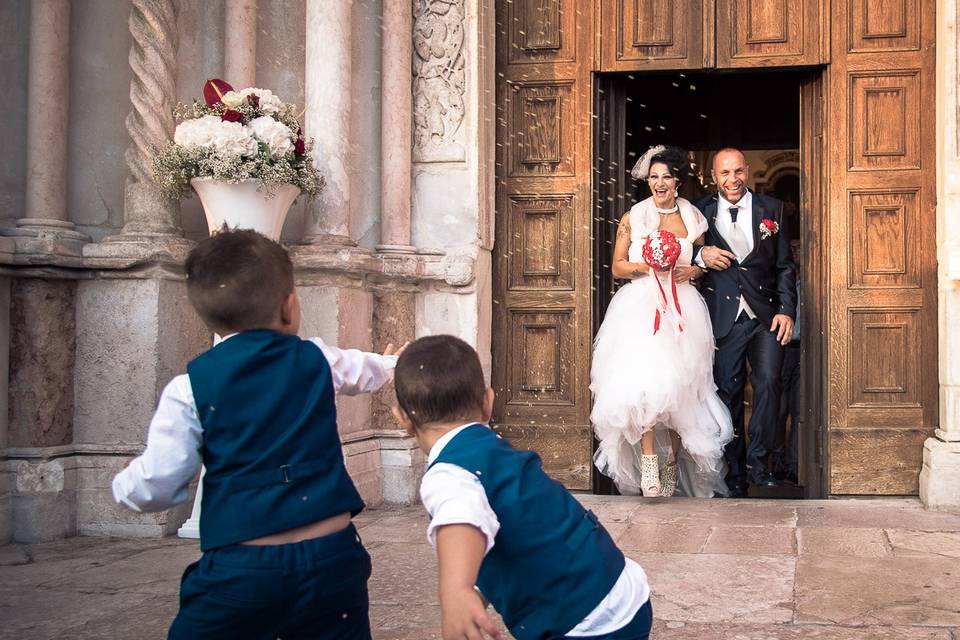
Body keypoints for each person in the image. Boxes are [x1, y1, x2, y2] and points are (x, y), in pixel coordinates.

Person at [112, 229, 403, 639]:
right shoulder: (315, 357)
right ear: (289, 307)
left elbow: (159, 482)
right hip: (332, 557)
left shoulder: (190, 387)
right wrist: (393, 364)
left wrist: (125, 484)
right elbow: (361, 369)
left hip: (243, 567)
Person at [393, 335, 653, 640]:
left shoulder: (449, 472)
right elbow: (509, 529)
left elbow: (461, 516)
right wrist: (478, 589)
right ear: (488, 403)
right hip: (624, 593)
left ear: (403, 420)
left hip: (580, 623)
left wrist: (456, 591)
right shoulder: (496, 451)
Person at [591, 145, 734, 498]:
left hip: (683, 307)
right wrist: (650, 267)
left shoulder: (692, 215)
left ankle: (673, 465)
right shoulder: (634, 216)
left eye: (666, 177)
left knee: (683, 388)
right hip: (641, 306)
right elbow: (618, 266)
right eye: (653, 177)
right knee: (647, 384)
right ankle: (650, 464)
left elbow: (701, 259)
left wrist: (693, 269)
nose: (659, 183)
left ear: (677, 181)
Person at [694, 148, 798, 498]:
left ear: (748, 171)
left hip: (766, 316)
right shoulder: (699, 211)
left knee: (769, 383)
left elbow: (785, 265)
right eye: (725, 173)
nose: (732, 179)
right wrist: (700, 254)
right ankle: (735, 473)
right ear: (714, 176)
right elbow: (681, 247)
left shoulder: (772, 209)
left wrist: (787, 309)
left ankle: (760, 464)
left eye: (738, 171)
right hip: (724, 319)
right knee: (728, 394)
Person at [773, 239, 802, 485]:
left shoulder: (812, 282)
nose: (795, 253)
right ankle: (777, 462)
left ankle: (794, 464)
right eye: (791, 248)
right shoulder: (781, 283)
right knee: (778, 408)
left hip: (806, 351)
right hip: (783, 350)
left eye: (799, 248)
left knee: (799, 409)